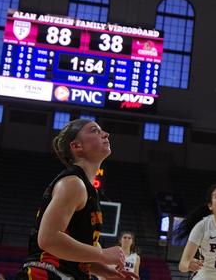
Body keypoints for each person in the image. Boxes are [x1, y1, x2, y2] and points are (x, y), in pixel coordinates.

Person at [15, 119, 134, 280]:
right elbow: (48, 239)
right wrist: (102, 254)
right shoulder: (73, 183)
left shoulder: (87, 188)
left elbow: (71, 251)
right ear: (77, 146)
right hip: (46, 274)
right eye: (95, 131)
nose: (106, 134)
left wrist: (104, 271)